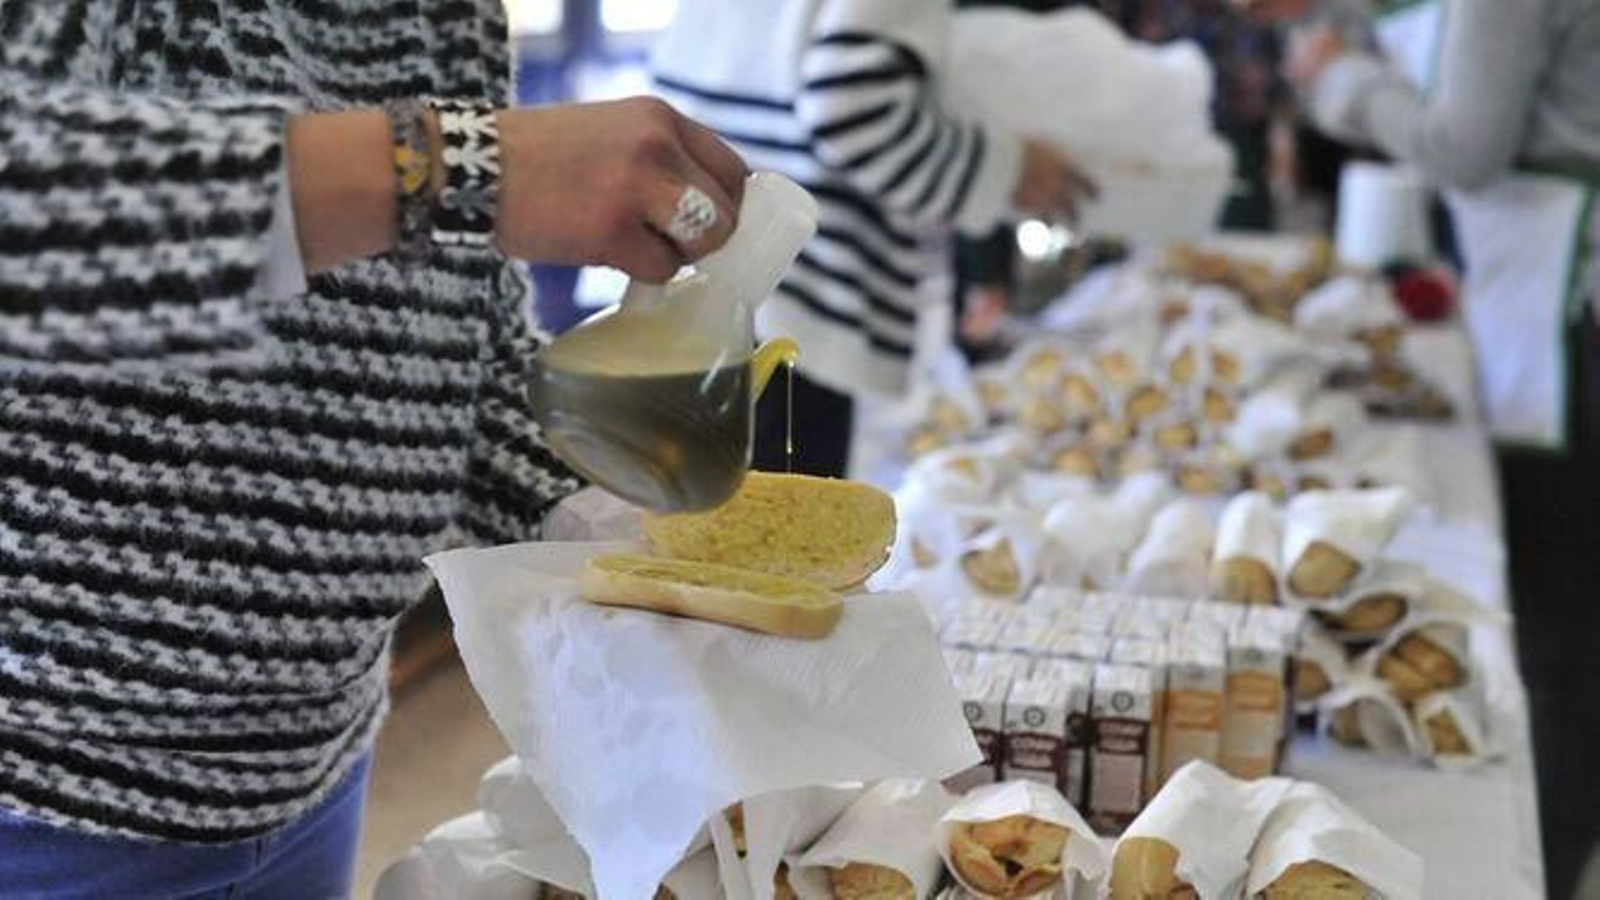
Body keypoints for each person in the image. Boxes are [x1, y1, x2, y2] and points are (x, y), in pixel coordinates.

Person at [0, 2, 749, 895]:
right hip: (46, 805)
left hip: (316, 760)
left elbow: (456, 358)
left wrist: (621, 534)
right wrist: (453, 165)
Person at [1269, 1, 1600, 895]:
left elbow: (1465, 144)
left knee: (1561, 624)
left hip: (1572, 310)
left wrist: (1337, 78)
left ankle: (1548, 864)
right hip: (1539, 283)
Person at [652, 0, 1098, 477]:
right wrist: (1006, 171)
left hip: (701, 263)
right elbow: (851, 109)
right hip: (806, 297)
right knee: (780, 533)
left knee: (700, 526)